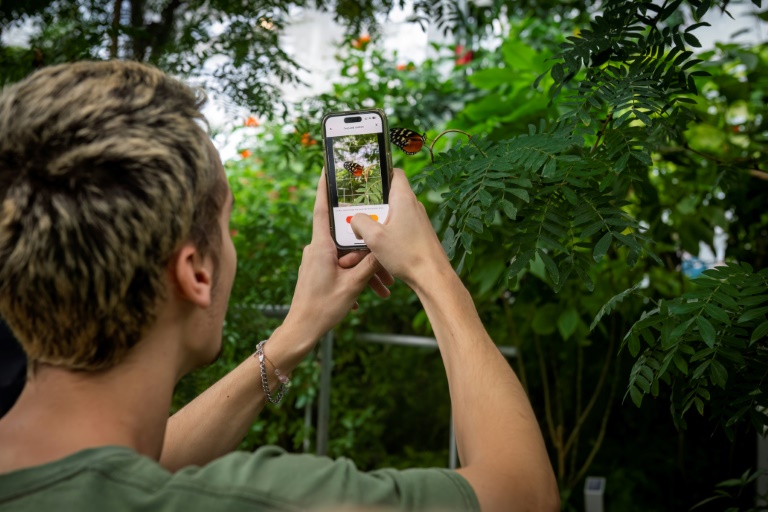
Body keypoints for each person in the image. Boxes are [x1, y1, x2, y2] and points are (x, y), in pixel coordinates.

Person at [0, 61, 559, 512]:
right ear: (197, 273)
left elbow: (119, 465)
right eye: (227, 223)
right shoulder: (261, 499)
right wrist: (431, 272)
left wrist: (297, 334)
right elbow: (525, 495)